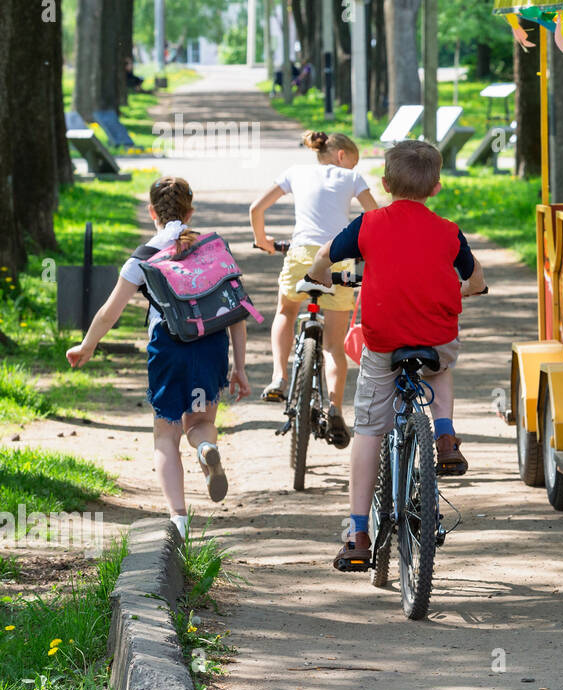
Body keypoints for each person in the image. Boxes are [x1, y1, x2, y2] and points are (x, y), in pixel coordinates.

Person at [303, 140, 485, 570]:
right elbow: (476, 279)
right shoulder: (448, 231)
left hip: (383, 341)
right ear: (436, 188)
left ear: (384, 184)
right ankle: (444, 434)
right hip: (436, 336)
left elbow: (325, 257)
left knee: (368, 430)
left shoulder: (368, 225)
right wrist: (459, 290)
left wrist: (317, 281)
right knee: (439, 370)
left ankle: (359, 531)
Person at [66, 177, 251, 538]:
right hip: (210, 345)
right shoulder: (214, 249)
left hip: (167, 349)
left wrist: (87, 346)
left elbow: (109, 312)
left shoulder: (143, 257)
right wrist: (239, 368)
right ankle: (207, 448)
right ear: (190, 211)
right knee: (198, 424)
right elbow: (237, 311)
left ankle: (179, 520)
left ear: (152, 212)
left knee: (165, 436)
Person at [249, 131, 377, 445]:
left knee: (285, 311)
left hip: (302, 255)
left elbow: (256, 208)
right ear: (342, 156)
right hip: (339, 258)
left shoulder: (295, 172)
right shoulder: (353, 177)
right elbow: (375, 217)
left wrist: (264, 242)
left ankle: (279, 376)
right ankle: (334, 408)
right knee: (333, 346)